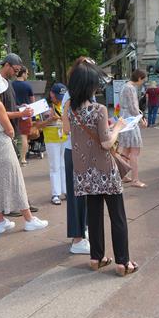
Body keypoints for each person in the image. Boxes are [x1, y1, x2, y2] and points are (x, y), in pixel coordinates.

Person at [65, 59, 138, 276]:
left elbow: (70, 132)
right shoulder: (98, 109)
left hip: (83, 171)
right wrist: (117, 126)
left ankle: (96, 258)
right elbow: (107, 143)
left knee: (94, 215)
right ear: (90, 85)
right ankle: (123, 263)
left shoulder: (70, 109)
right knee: (117, 216)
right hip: (105, 170)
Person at [0, 70, 48, 234]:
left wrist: (20, 113)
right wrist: (13, 131)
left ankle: (0, 221)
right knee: (16, 181)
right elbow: (9, 128)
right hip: (1, 143)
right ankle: (29, 219)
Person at [0, 53, 38, 215]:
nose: (16, 73)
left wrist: (20, 109)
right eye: (15, 69)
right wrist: (20, 114)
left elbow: (8, 108)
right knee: (10, 171)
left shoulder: (8, 83)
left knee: (13, 171)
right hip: (4, 133)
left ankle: (21, 204)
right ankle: (14, 206)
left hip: (10, 132)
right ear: (7, 65)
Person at [61, 57, 92, 254]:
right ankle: (77, 238)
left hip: (80, 151)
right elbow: (66, 128)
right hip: (76, 151)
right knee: (77, 196)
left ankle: (82, 231)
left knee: (84, 195)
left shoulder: (78, 95)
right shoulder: (71, 98)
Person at [118, 69, 147, 188]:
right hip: (130, 121)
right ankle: (135, 179)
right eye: (143, 80)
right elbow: (133, 107)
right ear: (139, 78)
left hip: (126, 120)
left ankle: (122, 176)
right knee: (135, 151)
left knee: (126, 150)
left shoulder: (126, 86)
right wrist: (141, 119)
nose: (143, 82)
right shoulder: (130, 88)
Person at [39, 83, 68, 205]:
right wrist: (49, 119)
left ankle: (66, 190)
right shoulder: (43, 106)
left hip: (65, 138)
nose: (59, 100)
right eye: (58, 97)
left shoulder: (65, 103)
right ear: (51, 94)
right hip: (51, 139)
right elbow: (37, 126)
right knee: (55, 166)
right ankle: (55, 193)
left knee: (64, 165)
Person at [12, 66, 34, 165]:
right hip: (25, 113)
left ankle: (15, 157)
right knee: (24, 136)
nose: (27, 75)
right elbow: (32, 101)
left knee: (14, 135)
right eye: (27, 73)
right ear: (23, 73)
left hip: (14, 112)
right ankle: (23, 159)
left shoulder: (11, 85)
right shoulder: (27, 86)